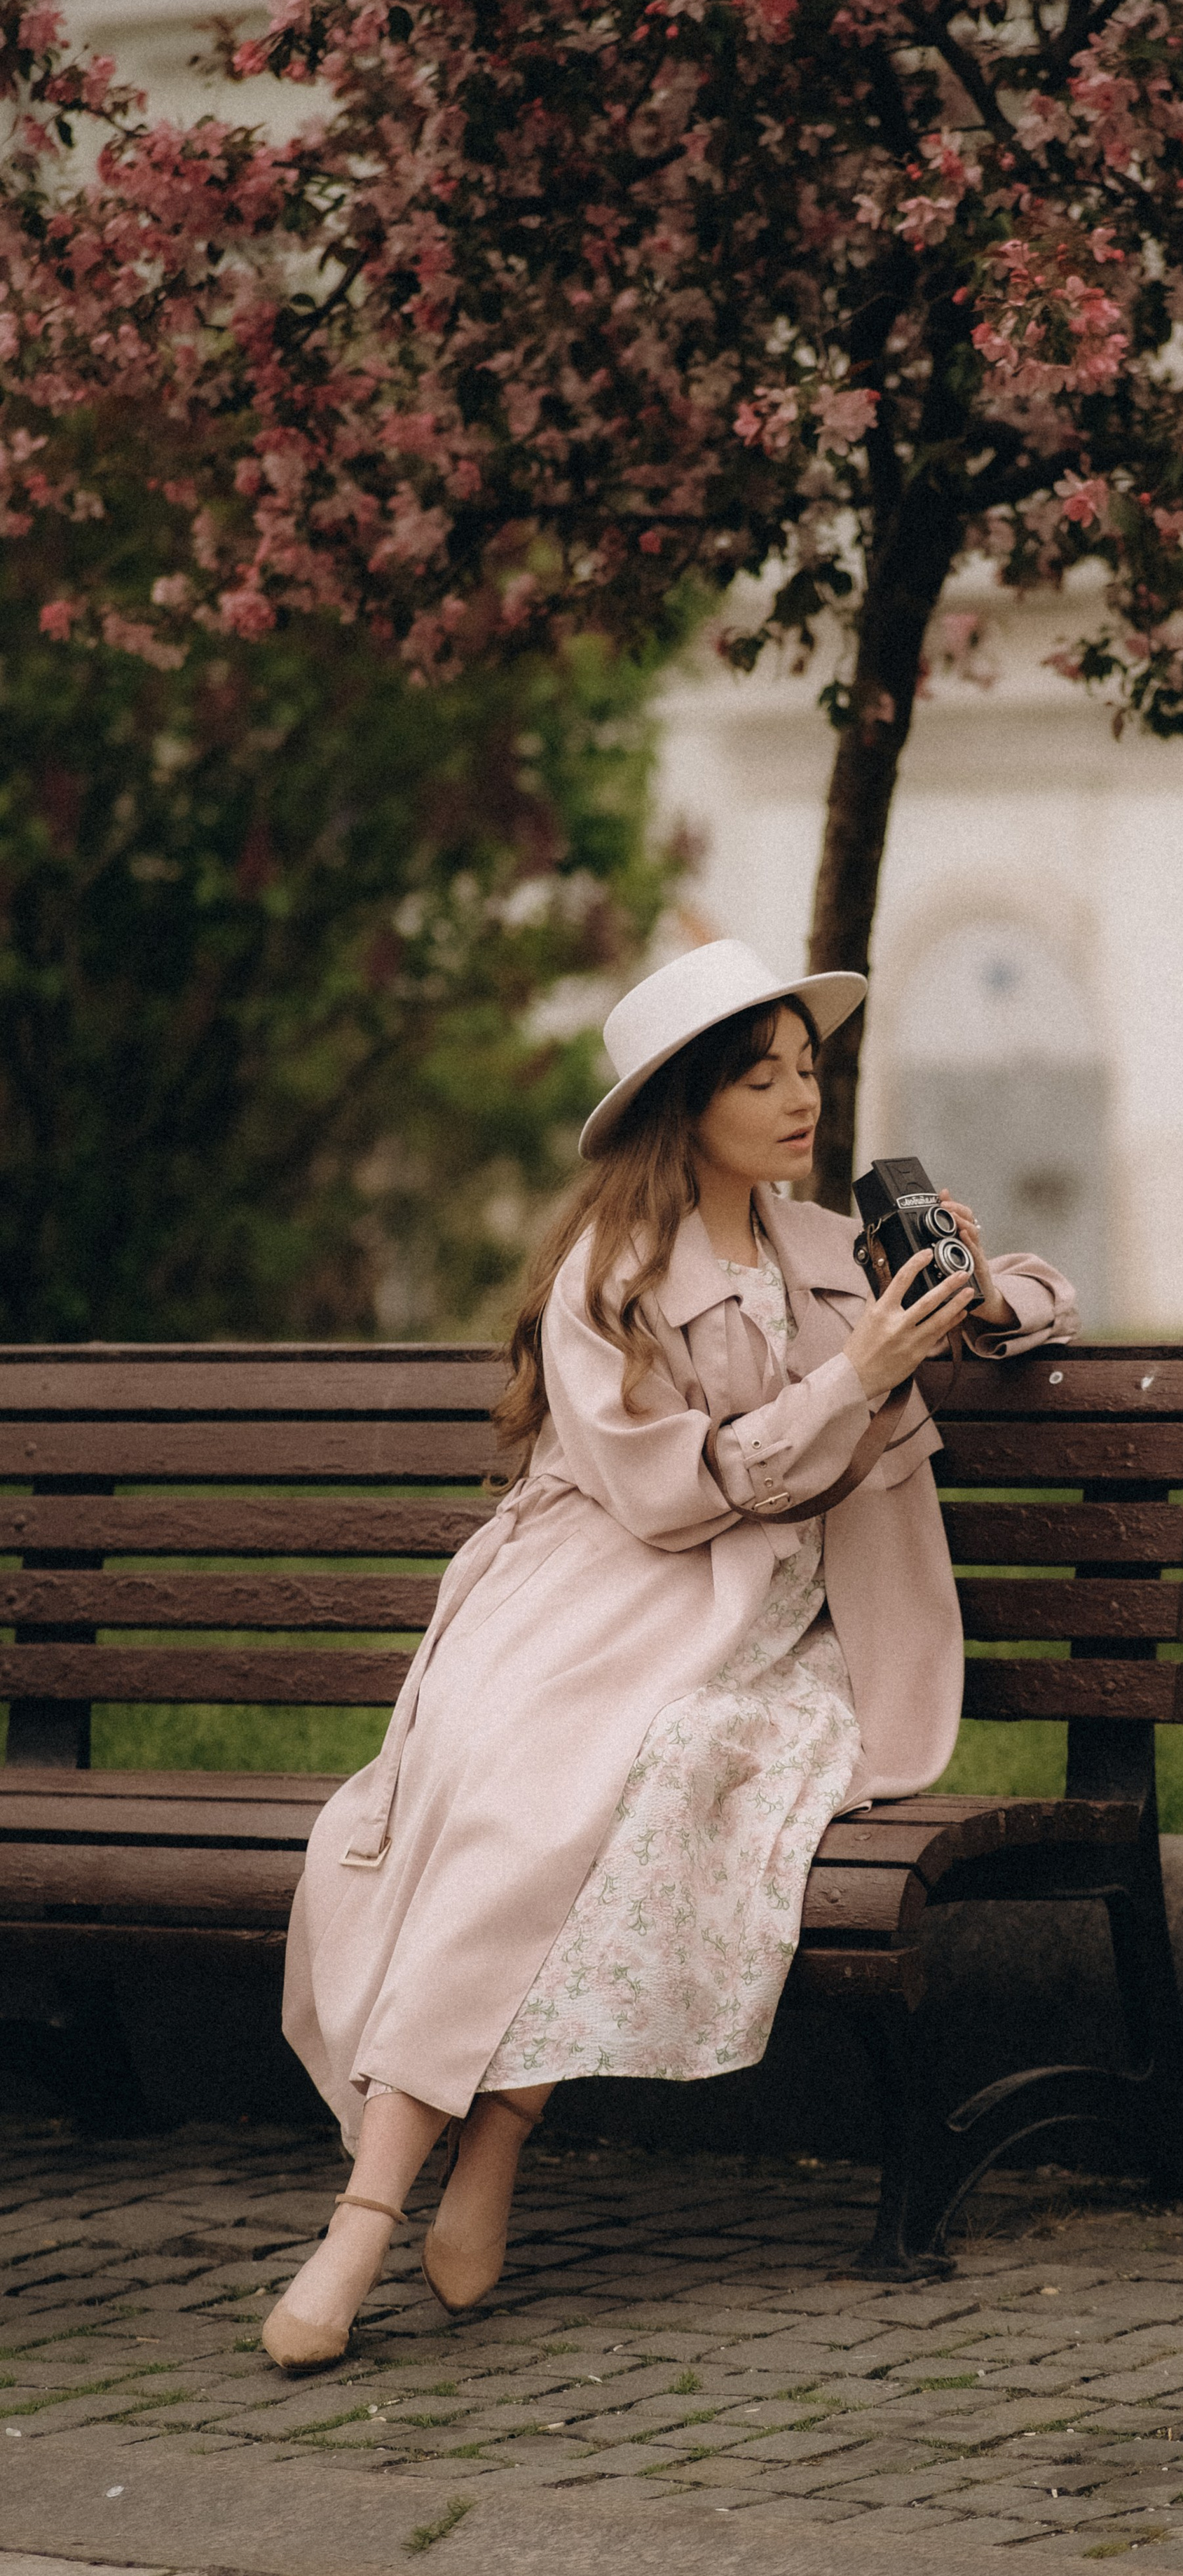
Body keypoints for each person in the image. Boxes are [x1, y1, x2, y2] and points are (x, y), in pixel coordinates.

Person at [263, 937, 1077, 2371]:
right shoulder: (610, 1275)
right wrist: (858, 1376)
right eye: (759, 1075)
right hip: (604, 1596)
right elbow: (666, 1494)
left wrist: (987, 1303)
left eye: (807, 1068)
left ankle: (491, 2155)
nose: (797, 1098)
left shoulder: (831, 1245)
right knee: (518, 1800)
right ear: (684, 1104)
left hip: (775, 1634)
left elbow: (1030, 1291)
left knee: (659, 1791)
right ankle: (365, 2216)